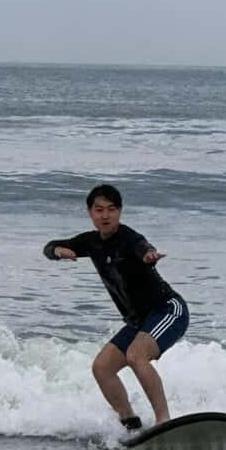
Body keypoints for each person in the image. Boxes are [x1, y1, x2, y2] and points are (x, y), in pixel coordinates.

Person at [43, 184, 189, 430]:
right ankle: (130, 423)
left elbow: (144, 247)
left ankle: (164, 422)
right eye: (98, 210)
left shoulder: (129, 238)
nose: (105, 215)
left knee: (136, 355)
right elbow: (49, 247)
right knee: (102, 368)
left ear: (120, 212)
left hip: (167, 310)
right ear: (90, 213)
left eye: (111, 209)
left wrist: (149, 256)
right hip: (138, 321)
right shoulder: (91, 242)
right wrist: (58, 251)